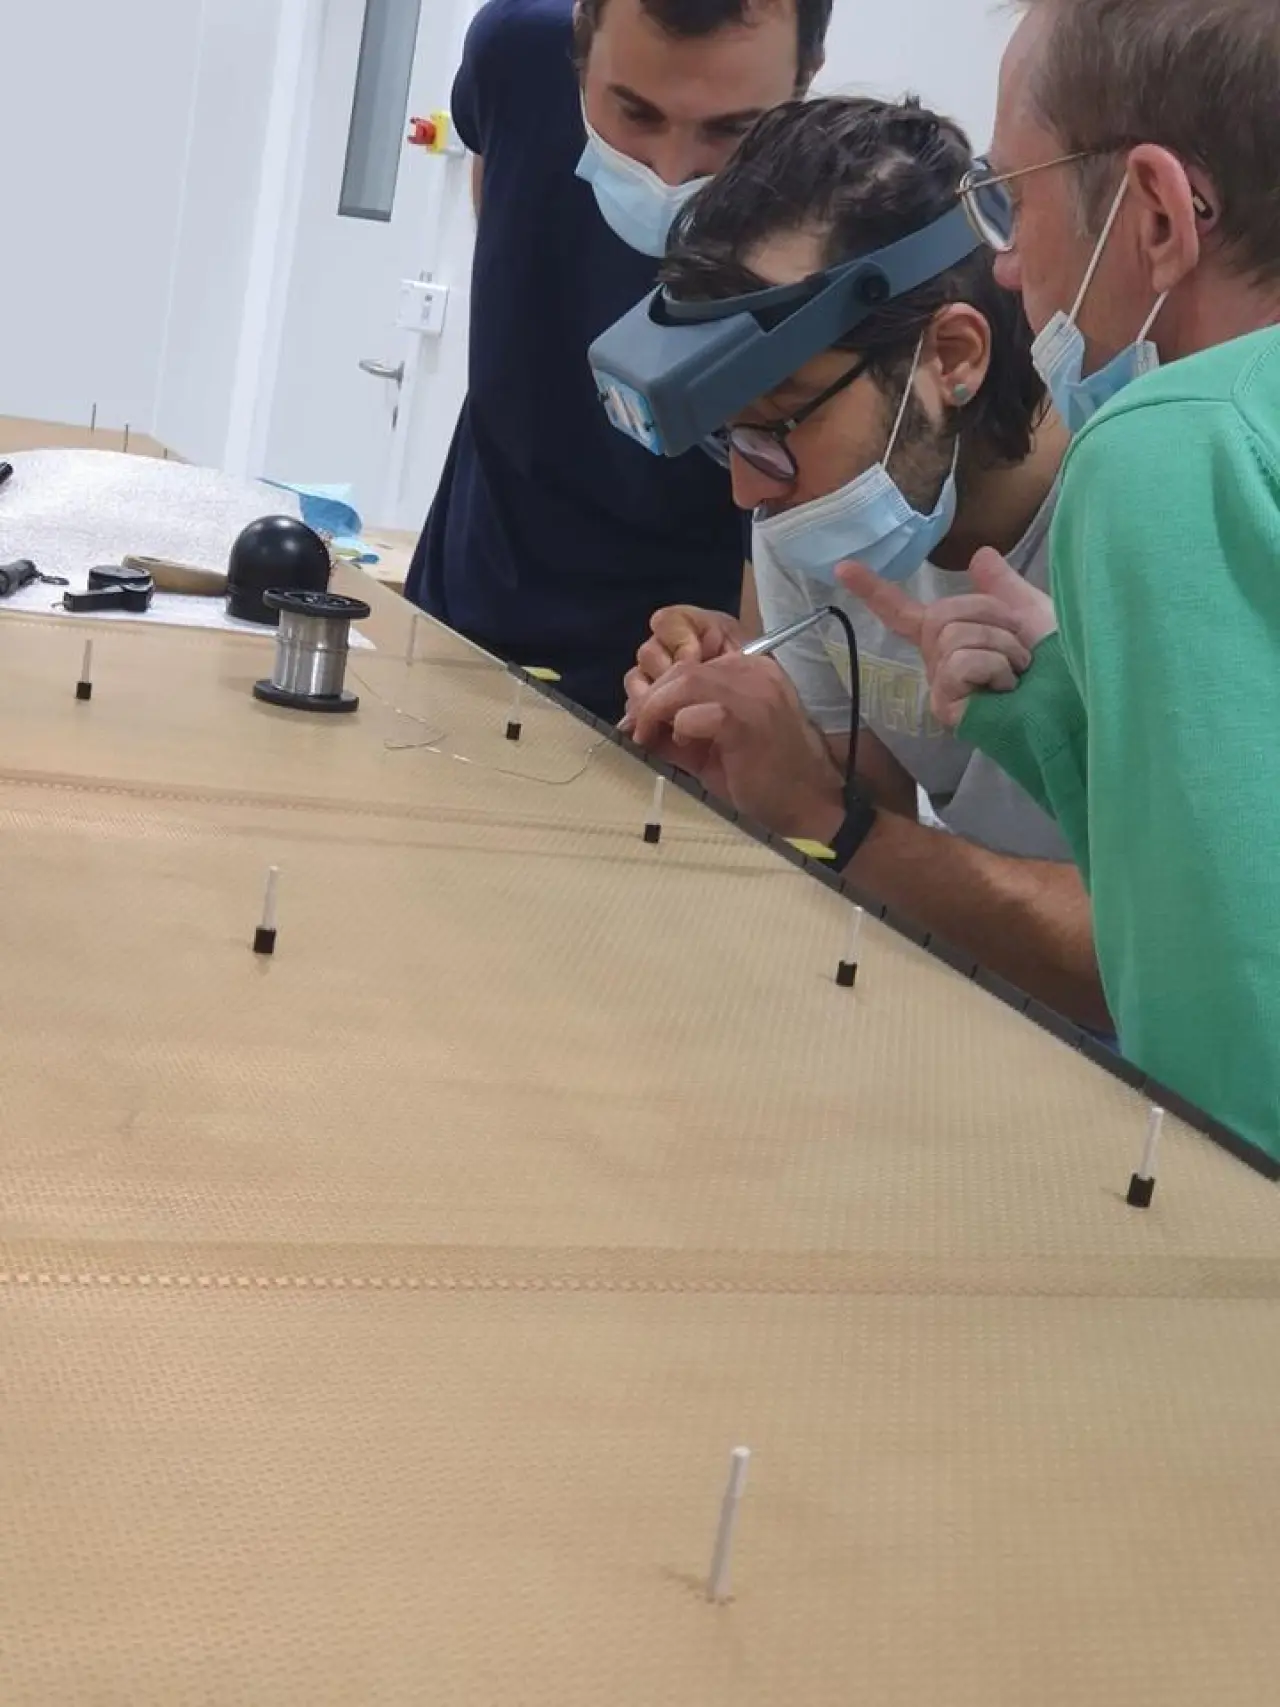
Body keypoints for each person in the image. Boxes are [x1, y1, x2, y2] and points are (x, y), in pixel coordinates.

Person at [840, 0, 1280, 1159]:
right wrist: (1062, 716)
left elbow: (1227, 1017)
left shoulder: (1161, 443)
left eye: (1010, 195)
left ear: (1154, 214)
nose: (1000, 258)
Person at [622, 95, 1109, 1028]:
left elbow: (1156, 964)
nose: (749, 491)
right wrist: (755, 745)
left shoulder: (1139, 521)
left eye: (779, 423)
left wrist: (824, 818)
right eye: (732, 436)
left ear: (954, 357)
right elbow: (880, 870)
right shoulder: (820, 508)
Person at [403, 0, 831, 721]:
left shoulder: (831, 221)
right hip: (460, 614)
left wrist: (735, 699)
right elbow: (498, 204)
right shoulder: (514, 55)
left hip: (663, 676)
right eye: (635, 114)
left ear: (804, 78)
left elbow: (773, 521)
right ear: (581, 41)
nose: (670, 173)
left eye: (731, 131)